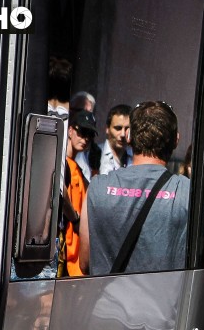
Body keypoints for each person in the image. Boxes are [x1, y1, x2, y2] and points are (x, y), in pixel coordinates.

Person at [80, 101, 189, 275]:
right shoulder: (188, 192)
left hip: (106, 300)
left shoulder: (97, 187)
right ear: (176, 140)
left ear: (129, 137)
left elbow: (85, 263)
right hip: (164, 301)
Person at [59, 109, 96, 277]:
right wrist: (74, 218)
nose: (85, 138)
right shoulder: (63, 162)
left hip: (74, 250)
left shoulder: (76, 167)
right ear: (70, 130)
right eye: (82, 132)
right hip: (63, 246)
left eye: (89, 134)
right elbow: (60, 191)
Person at [99, 104, 133, 175]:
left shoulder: (135, 157)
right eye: (118, 128)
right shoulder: (96, 154)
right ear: (107, 129)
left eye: (127, 129)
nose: (123, 134)